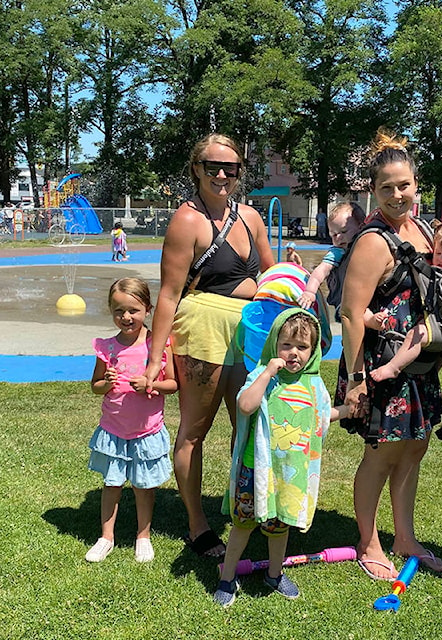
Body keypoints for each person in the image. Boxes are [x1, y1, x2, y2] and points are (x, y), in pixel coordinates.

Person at [143, 133, 274, 558]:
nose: (222, 175)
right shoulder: (187, 221)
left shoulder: (251, 217)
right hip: (201, 330)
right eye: (212, 167)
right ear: (196, 169)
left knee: (249, 428)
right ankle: (198, 525)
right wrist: (152, 358)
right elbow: (168, 293)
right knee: (194, 431)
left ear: (239, 172)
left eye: (230, 168)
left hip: (249, 332)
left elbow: (272, 276)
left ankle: (246, 510)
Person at [337, 129, 442, 581]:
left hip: (420, 363)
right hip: (380, 368)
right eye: (386, 187)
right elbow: (349, 314)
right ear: (374, 191)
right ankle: (368, 542)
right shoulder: (372, 241)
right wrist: (359, 378)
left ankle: (405, 535)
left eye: (404, 185)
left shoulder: (423, 231)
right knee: (381, 454)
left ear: (416, 185)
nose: (397, 194)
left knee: (414, 450)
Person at [213, 309, 348, 606]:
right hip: (254, 470)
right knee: (243, 524)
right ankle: (227, 577)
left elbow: (321, 419)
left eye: (302, 347)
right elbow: (245, 405)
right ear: (273, 344)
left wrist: (348, 410)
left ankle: (274, 573)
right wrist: (268, 372)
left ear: (313, 351)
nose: (293, 353)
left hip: (290, 476)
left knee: (280, 526)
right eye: (286, 345)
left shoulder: (313, 385)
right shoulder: (262, 376)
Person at [86, 278, 177, 563]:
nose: (126, 317)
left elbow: (173, 384)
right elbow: (95, 385)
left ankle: (143, 535)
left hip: (146, 430)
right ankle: (106, 536)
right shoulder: (107, 347)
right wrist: (106, 383)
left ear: (147, 309)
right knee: (112, 484)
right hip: (114, 429)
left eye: (133, 310)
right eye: (119, 311)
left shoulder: (158, 345)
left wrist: (150, 385)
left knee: (143, 486)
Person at [368, 222, 442, 382]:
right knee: (433, 344)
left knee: (416, 335)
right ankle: (437, 365)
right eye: (438, 253)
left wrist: (415, 262)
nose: (441, 259)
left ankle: (393, 368)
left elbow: (427, 280)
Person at [297, 202, 367, 316]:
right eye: (333, 235)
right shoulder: (338, 251)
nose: (338, 237)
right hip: (345, 301)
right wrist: (310, 291)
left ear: (361, 227)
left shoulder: (369, 245)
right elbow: (321, 270)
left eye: (344, 231)